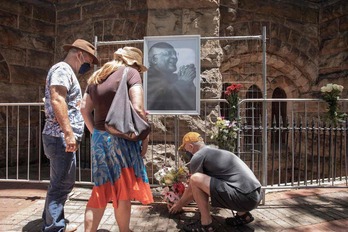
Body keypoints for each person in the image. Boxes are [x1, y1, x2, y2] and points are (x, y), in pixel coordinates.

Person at [80, 47, 154, 232]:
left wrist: (96, 132)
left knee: (100, 187)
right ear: (133, 62)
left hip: (99, 138)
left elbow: (83, 109)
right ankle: (124, 229)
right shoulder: (131, 73)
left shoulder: (96, 76)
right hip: (122, 139)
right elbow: (138, 108)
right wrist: (144, 138)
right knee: (123, 188)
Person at [42, 38, 98, 232]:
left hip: (59, 137)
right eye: (89, 62)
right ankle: (54, 227)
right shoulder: (62, 70)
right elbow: (57, 99)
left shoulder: (66, 72)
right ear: (79, 54)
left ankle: (52, 221)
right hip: (60, 137)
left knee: (59, 182)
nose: (89, 67)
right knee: (62, 184)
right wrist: (68, 133)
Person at [169, 132, 262, 231]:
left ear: (191, 146)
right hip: (256, 196)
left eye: (185, 148)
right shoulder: (216, 152)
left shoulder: (198, 156)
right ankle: (244, 216)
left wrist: (179, 205)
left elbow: (193, 187)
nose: (185, 151)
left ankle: (206, 224)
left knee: (195, 179)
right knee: (227, 180)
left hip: (243, 198)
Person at [147, 42, 196, 111]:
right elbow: (160, 99)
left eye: (175, 54)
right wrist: (183, 82)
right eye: (168, 54)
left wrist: (188, 80)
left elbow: (191, 104)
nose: (175, 57)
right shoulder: (149, 78)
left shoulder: (175, 78)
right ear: (155, 59)